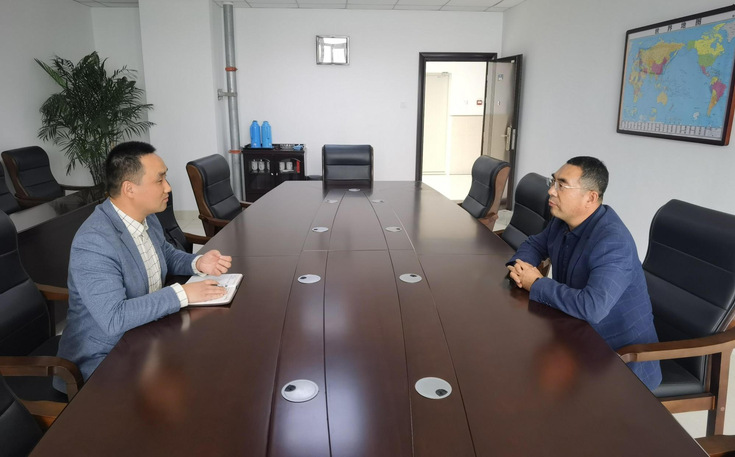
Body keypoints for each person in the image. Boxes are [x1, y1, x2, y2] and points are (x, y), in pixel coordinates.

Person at [54, 142, 231, 390]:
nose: (168, 187)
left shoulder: (146, 217)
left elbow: (165, 254)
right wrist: (183, 294)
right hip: (103, 359)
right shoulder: (94, 242)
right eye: (160, 180)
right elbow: (114, 318)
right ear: (129, 189)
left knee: (214, 355)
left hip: (145, 334)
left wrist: (197, 262)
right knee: (196, 381)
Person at [506, 156, 662, 390]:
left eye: (562, 185)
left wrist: (536, 283)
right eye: (553, 181)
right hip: (573, 338)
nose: (551, 191)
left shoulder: (613, 242)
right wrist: (521, 268)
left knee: (533, 385)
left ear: (590, 197)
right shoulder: (562, 221)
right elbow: (534, 244)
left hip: (620, 361)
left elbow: (593, 307)